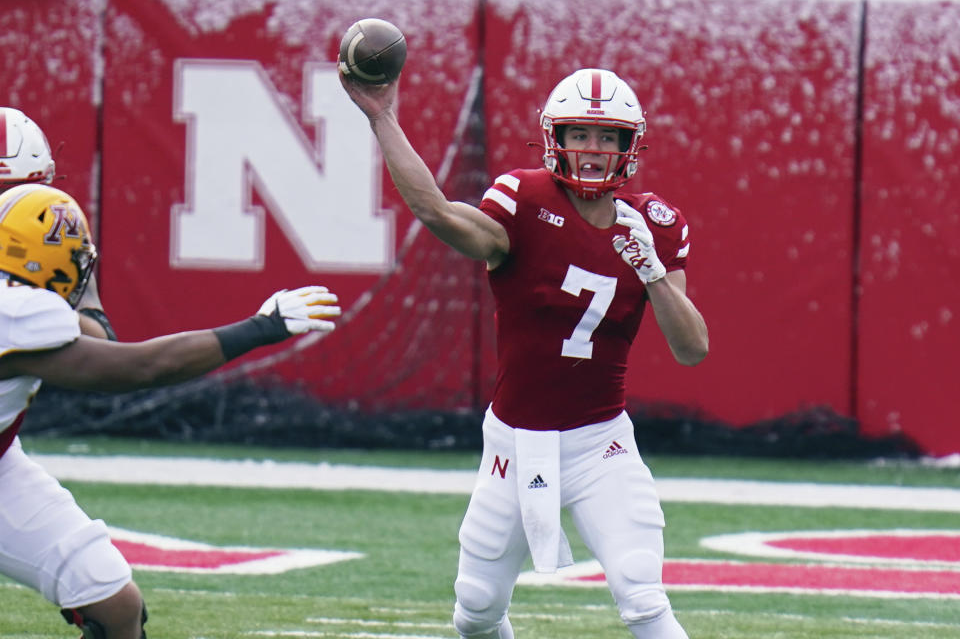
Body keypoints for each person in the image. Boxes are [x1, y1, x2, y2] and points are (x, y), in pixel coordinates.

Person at [341, 66, 707, 638]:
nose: (592, 149)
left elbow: (692, 350)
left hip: (599, 443)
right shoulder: (522, 199)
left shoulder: (654, 226)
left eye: (608, 136)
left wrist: (654, 274)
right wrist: (383, 116)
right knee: (477, 607)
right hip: (514, 440)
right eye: (580, 134)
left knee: (641, 591)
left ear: (629, 145)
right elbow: (436, 212)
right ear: (553, 138)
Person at [0, 183, 341, 638]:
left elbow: (96, 337)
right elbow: (140, 367)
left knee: (112, 601)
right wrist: (260, 328)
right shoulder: (14, 312)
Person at [0, 106, 116, 340]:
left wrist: (40, 311)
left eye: (10, 192)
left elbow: (103, 341)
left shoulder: (44, 242)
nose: (6, 204)